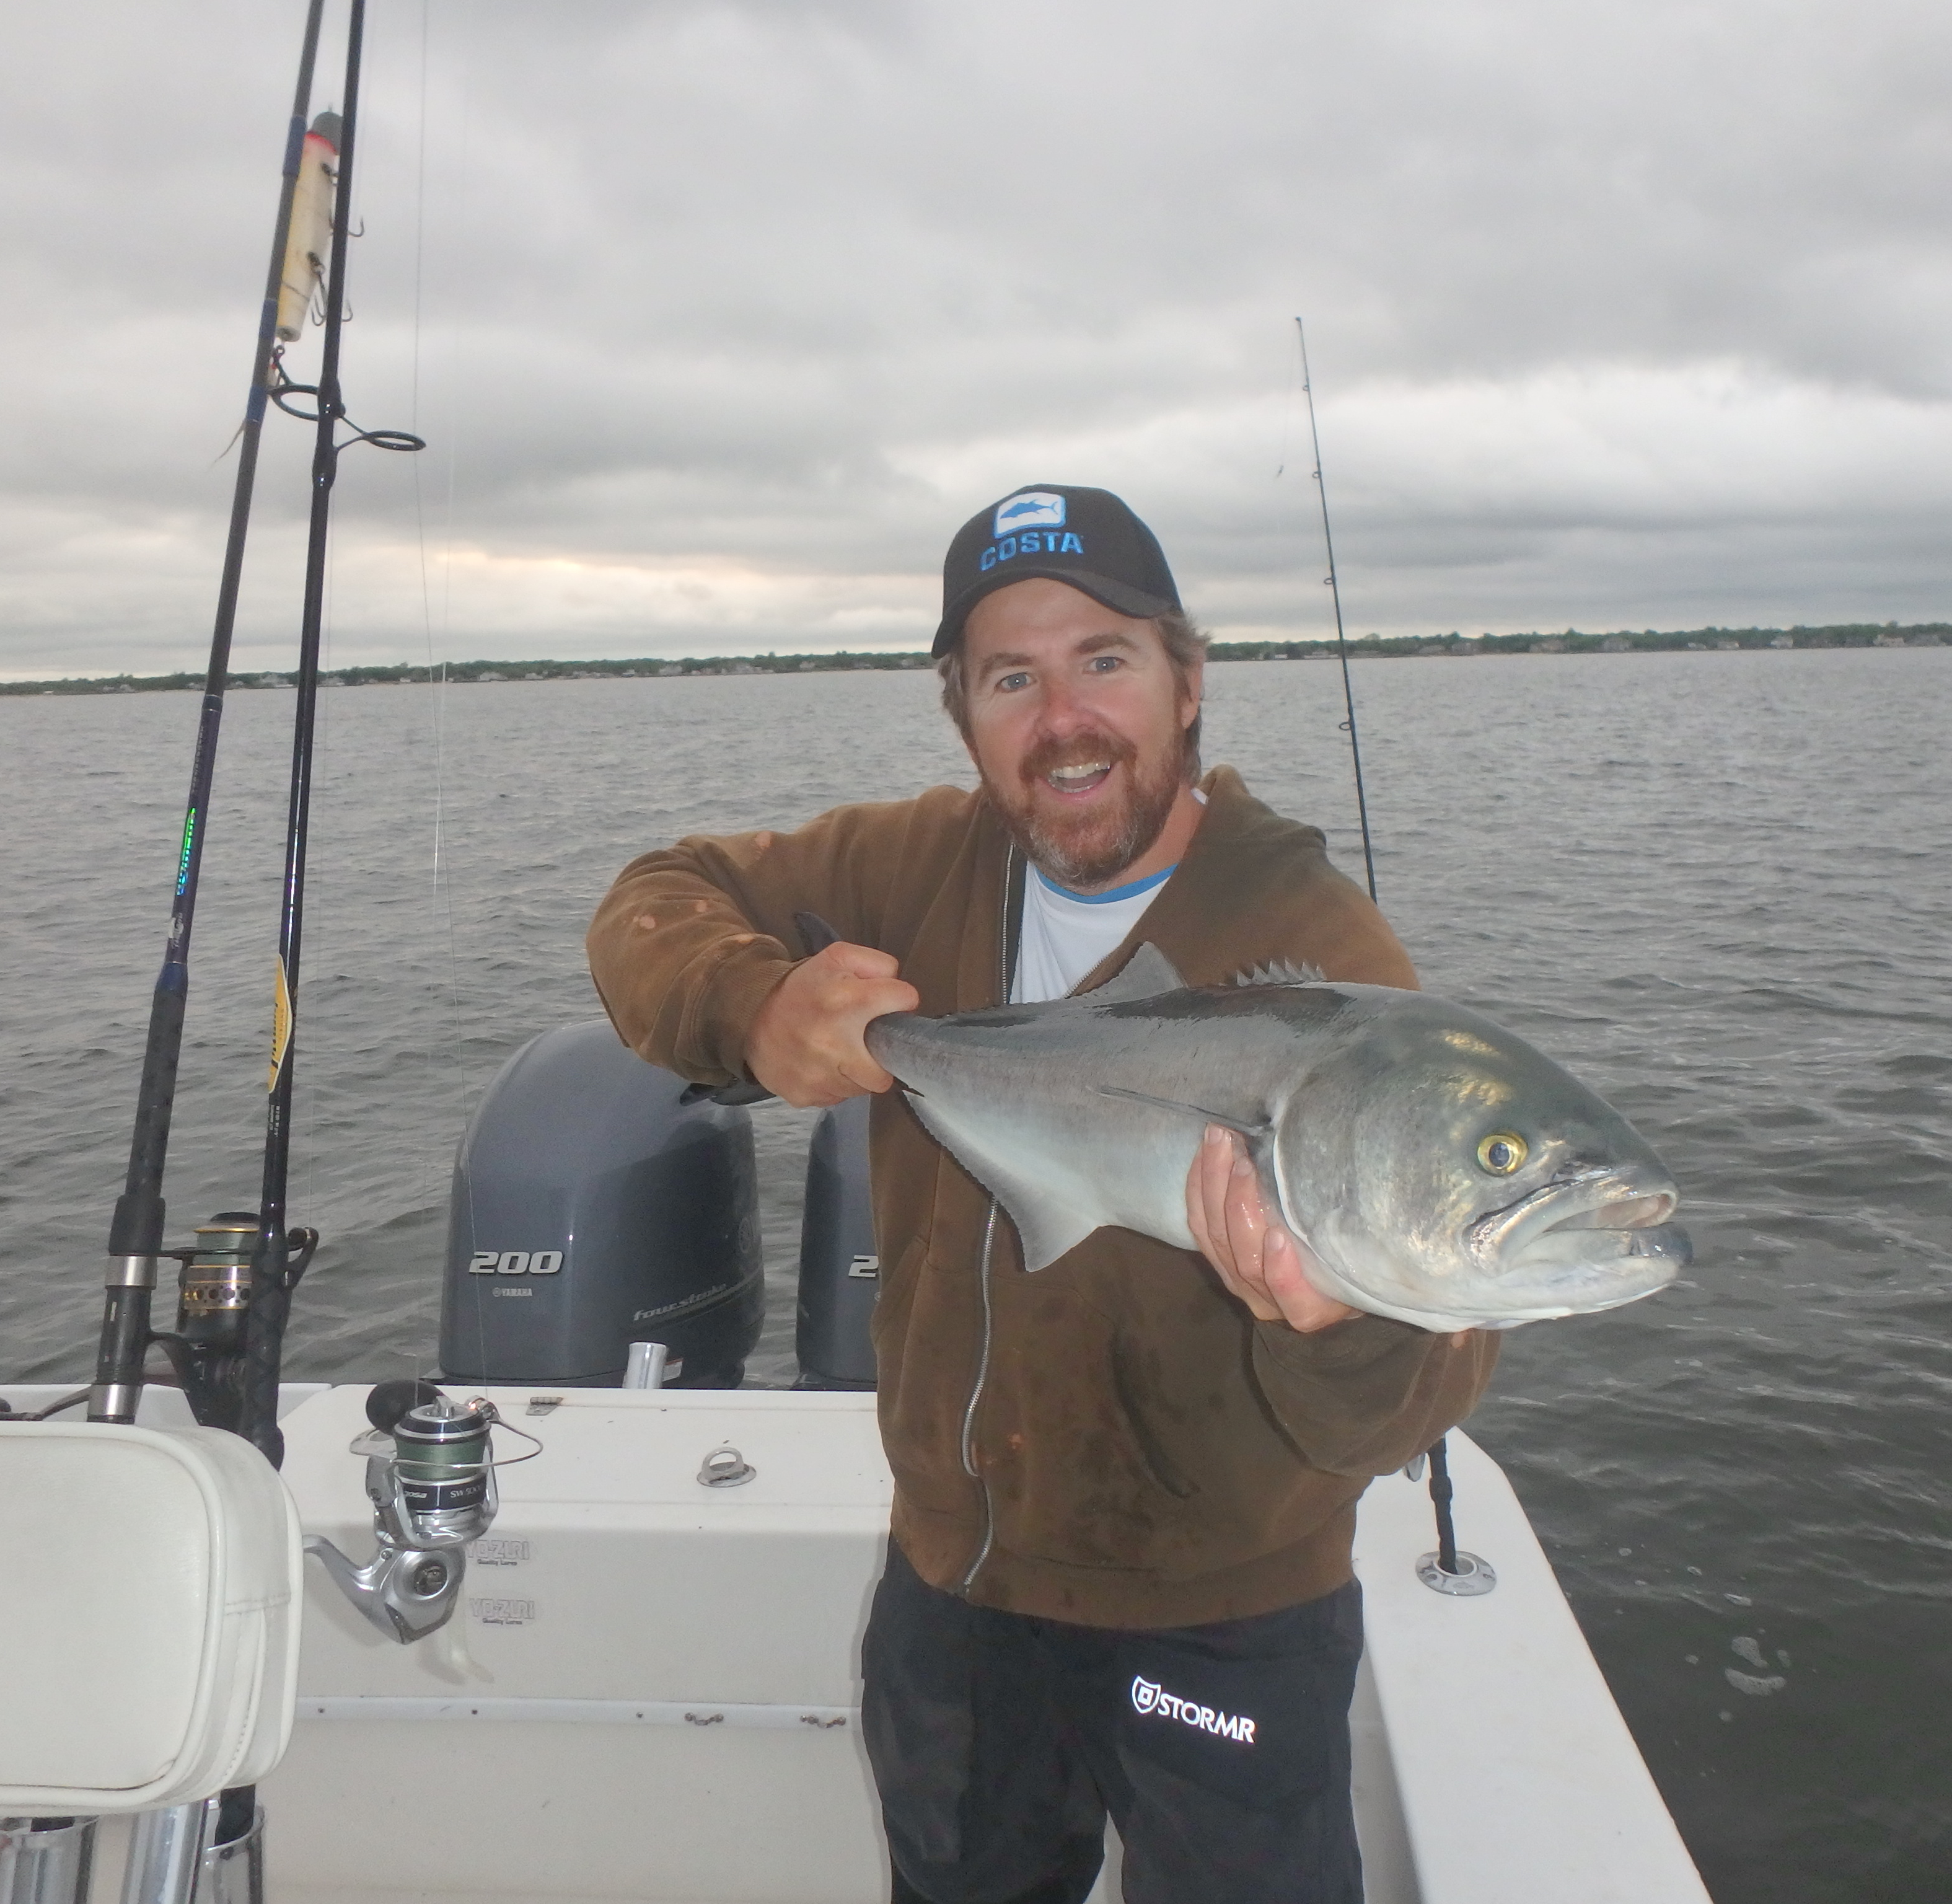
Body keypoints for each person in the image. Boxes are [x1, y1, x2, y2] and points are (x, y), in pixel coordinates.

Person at [586, 484, 1497, 1904]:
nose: (1062, 717)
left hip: (1229, 1612)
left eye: (1106, 661)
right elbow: (658, 892)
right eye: (1012, 677)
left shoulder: (1319, 952)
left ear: (1189, 687)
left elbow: (1428, 1383)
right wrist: (758, 1011)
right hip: (958, 1589)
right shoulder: (915, 865)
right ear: (963, 711)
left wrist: (1346, 1322)